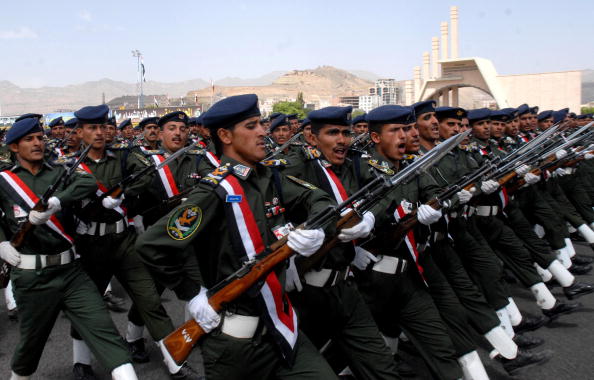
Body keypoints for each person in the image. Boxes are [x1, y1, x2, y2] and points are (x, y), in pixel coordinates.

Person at [136, 94, 340, 380]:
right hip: (235, 346)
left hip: (283, 329)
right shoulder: (213, 191)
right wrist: (192, 293)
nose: (263, 131)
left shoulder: (272, 178)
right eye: (251, 126)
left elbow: (318, 198)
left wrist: (317, 229)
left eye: (260, 124)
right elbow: (150, 245)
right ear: (225, 136)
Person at [0, 117, 137, 380]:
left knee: (104, 331)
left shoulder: (60, 171)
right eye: (29, 139)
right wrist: (1, 244)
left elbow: (87, 183)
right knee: (30, 346)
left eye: (40, 137)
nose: (38, 143)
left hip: (71, 271)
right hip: (33, 278)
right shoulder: (5, 181)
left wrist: (56, 201)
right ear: (14, 147)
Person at [69, 105, 200, 380]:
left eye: (103, 127)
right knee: (88, 305)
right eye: (91, 128)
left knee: (149, 299)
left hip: (123, 240)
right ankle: (80, 361)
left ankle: (175, 362)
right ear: (79, 132)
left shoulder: (125, 157)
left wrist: (124, 194)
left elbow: (148, 176)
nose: (99, 132)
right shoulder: (68, 167)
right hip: (90, 245)